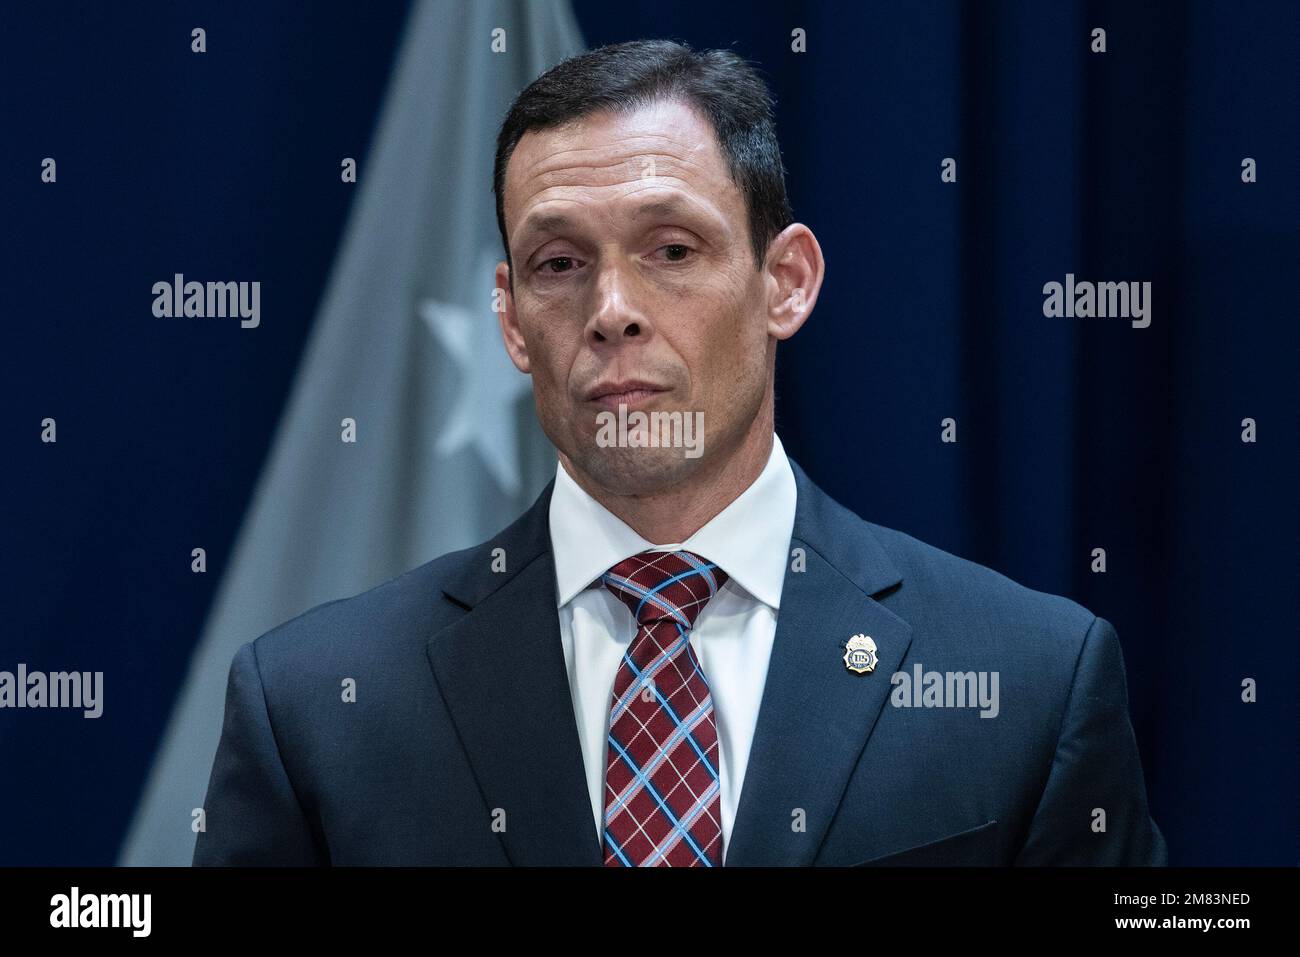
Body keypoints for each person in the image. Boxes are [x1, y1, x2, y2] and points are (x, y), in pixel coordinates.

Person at [193, 39, 1166, 867]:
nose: (611, 310)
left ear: (785, 282)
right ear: (512, 321)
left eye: (670, 250)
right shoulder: (317, 707)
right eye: (559, 264)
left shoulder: (1030, 681)